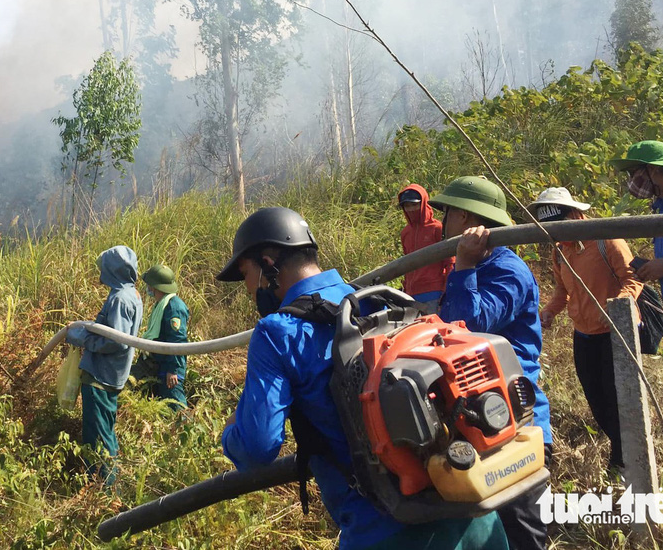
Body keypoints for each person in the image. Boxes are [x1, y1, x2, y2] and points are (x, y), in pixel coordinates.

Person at [217, 207, 508, 550]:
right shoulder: (383, 300)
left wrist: (233, 430)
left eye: (247, 275)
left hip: (388, 532)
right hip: (472, 511)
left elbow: (257, 448)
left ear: (268, 264)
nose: (250, 290)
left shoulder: (277, 333)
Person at [431, 177, 551, 550]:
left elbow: (471, 327)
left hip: (516, 417)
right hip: (479, 415)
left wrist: (464, 266)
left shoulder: (507, 269)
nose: (442, 221)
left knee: (521, 526)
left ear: (466, 217)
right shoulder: (471, 267)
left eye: (448, 212)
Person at [531, 187, 641, 471]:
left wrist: (617, 305)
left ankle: (624, 460)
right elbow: (561, 291)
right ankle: (622, 452)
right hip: (583, 336)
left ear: (575, 215)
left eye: (559, 225)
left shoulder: (607, 240)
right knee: (597, 400)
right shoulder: (560, 253)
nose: (555, 233)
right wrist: (549, 311)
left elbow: (634, 279)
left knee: (620, 400)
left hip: (615, 335)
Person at [610, 140, 663, 465]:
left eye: (636, 171)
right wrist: (654, 267)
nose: (633, 179)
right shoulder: (661, 206)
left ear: (656, 169)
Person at [65, 245, 143, 486]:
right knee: (105, 431)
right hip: (112, 375)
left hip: (101, 376)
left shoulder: (120, 298)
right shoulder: (132, 294)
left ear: (112, 269)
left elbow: (116, 341)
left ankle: (103, 490)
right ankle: (107, 484)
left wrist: (81, 338)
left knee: (96, 436)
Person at [131, 264, 190, 411]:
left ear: (156, 287)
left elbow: (178, 339)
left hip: (169, 369)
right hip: (156, 365)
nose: (148, 288)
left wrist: (173, 369)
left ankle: (189, 431)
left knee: (175, 407)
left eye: (150, 285)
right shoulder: (161, 304)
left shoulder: (174, 307)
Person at [397, 184, 454, 306]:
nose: (411, 209)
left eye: (414, 204)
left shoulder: (437, 228)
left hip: (434, 292)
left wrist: (446, 291)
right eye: (407, 206)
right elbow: (407, 265)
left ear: (423, 203)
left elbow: (450, 262)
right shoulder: (405, 233)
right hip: (411, 295)